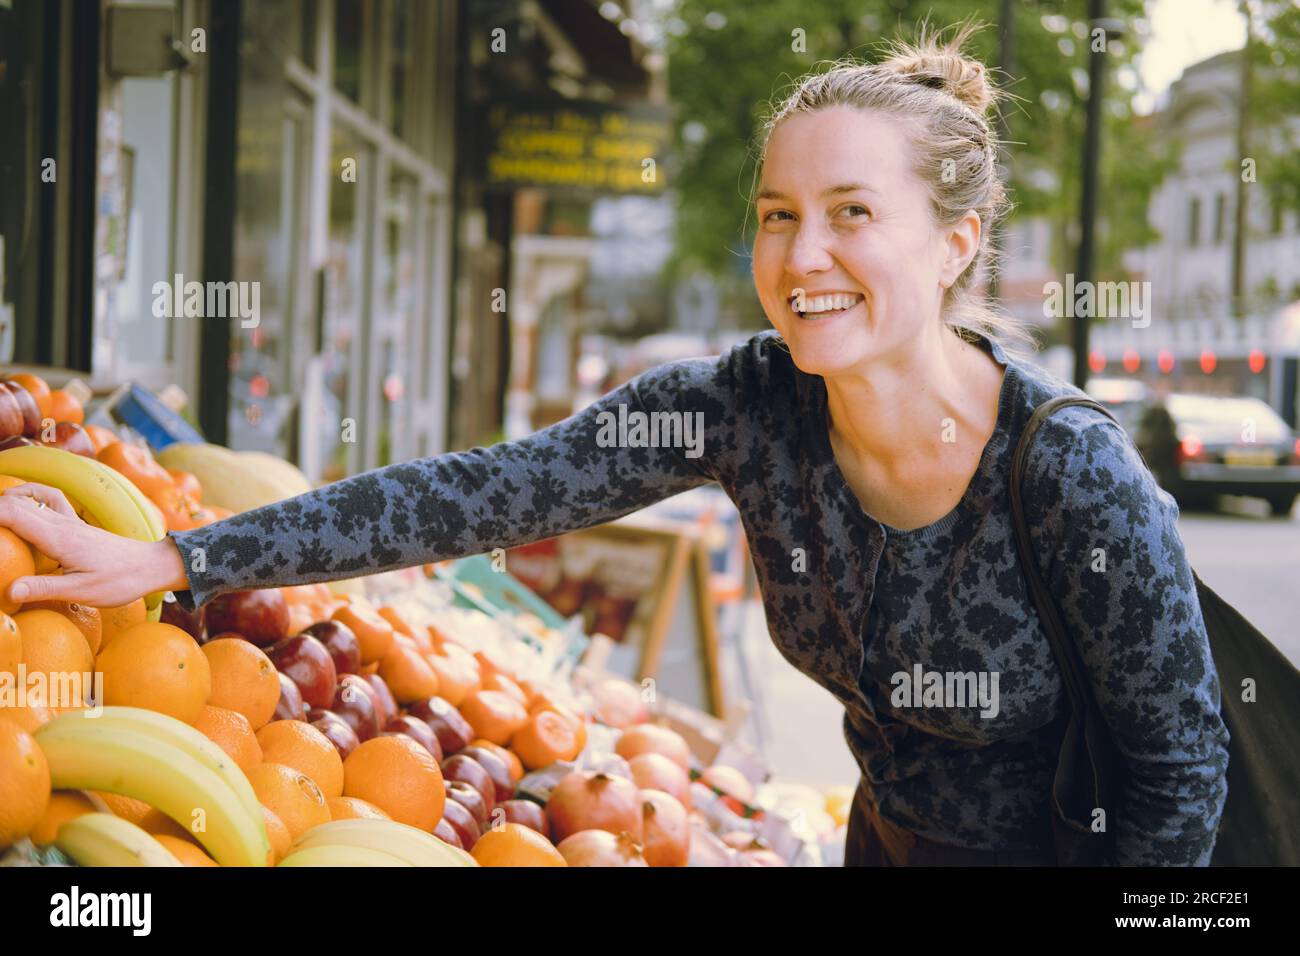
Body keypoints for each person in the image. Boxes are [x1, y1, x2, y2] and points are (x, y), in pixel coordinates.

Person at [0, 26, 1228, 867]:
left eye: (854, 214)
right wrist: (176, 556)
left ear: (957, 241)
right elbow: (478, 494)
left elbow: (1179, 771)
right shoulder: (745, 408)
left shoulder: (1067, 471)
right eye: (777, 216)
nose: (803, 258)